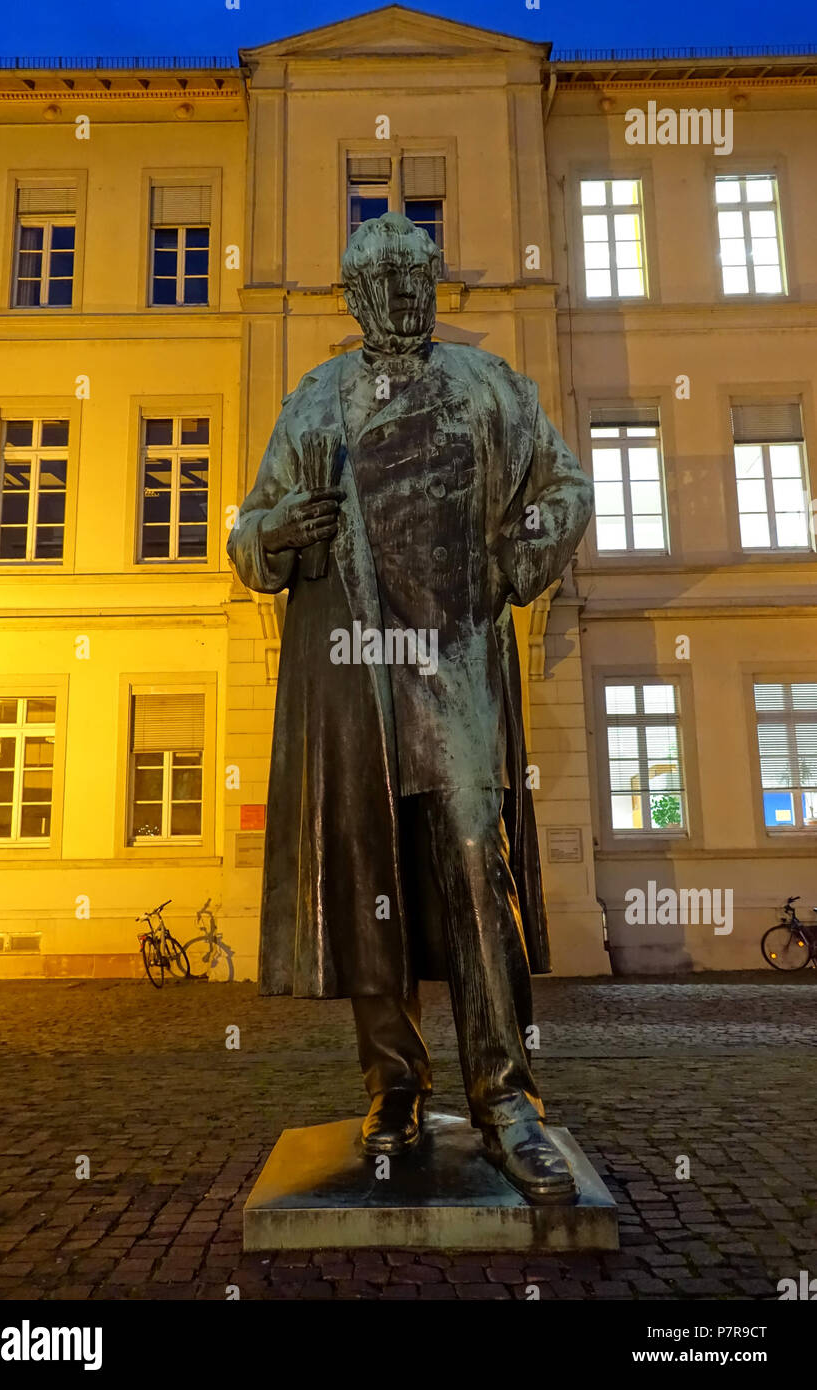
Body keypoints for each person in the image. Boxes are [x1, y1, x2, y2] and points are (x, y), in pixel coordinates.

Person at [228, 213, 593, 1203]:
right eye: (380, 286)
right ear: (351, 302)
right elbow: (245, 530)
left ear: (433, 290)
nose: (399, 301)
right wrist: (279, 533)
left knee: (477, 868)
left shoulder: (487, 387)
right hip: (355, 685)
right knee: (367, 881)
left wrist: (518, 562)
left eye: (414, 282)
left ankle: (506, 1101)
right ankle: (392, 1087)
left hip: (456, 669)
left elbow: (564, 485)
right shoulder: (315, 402)